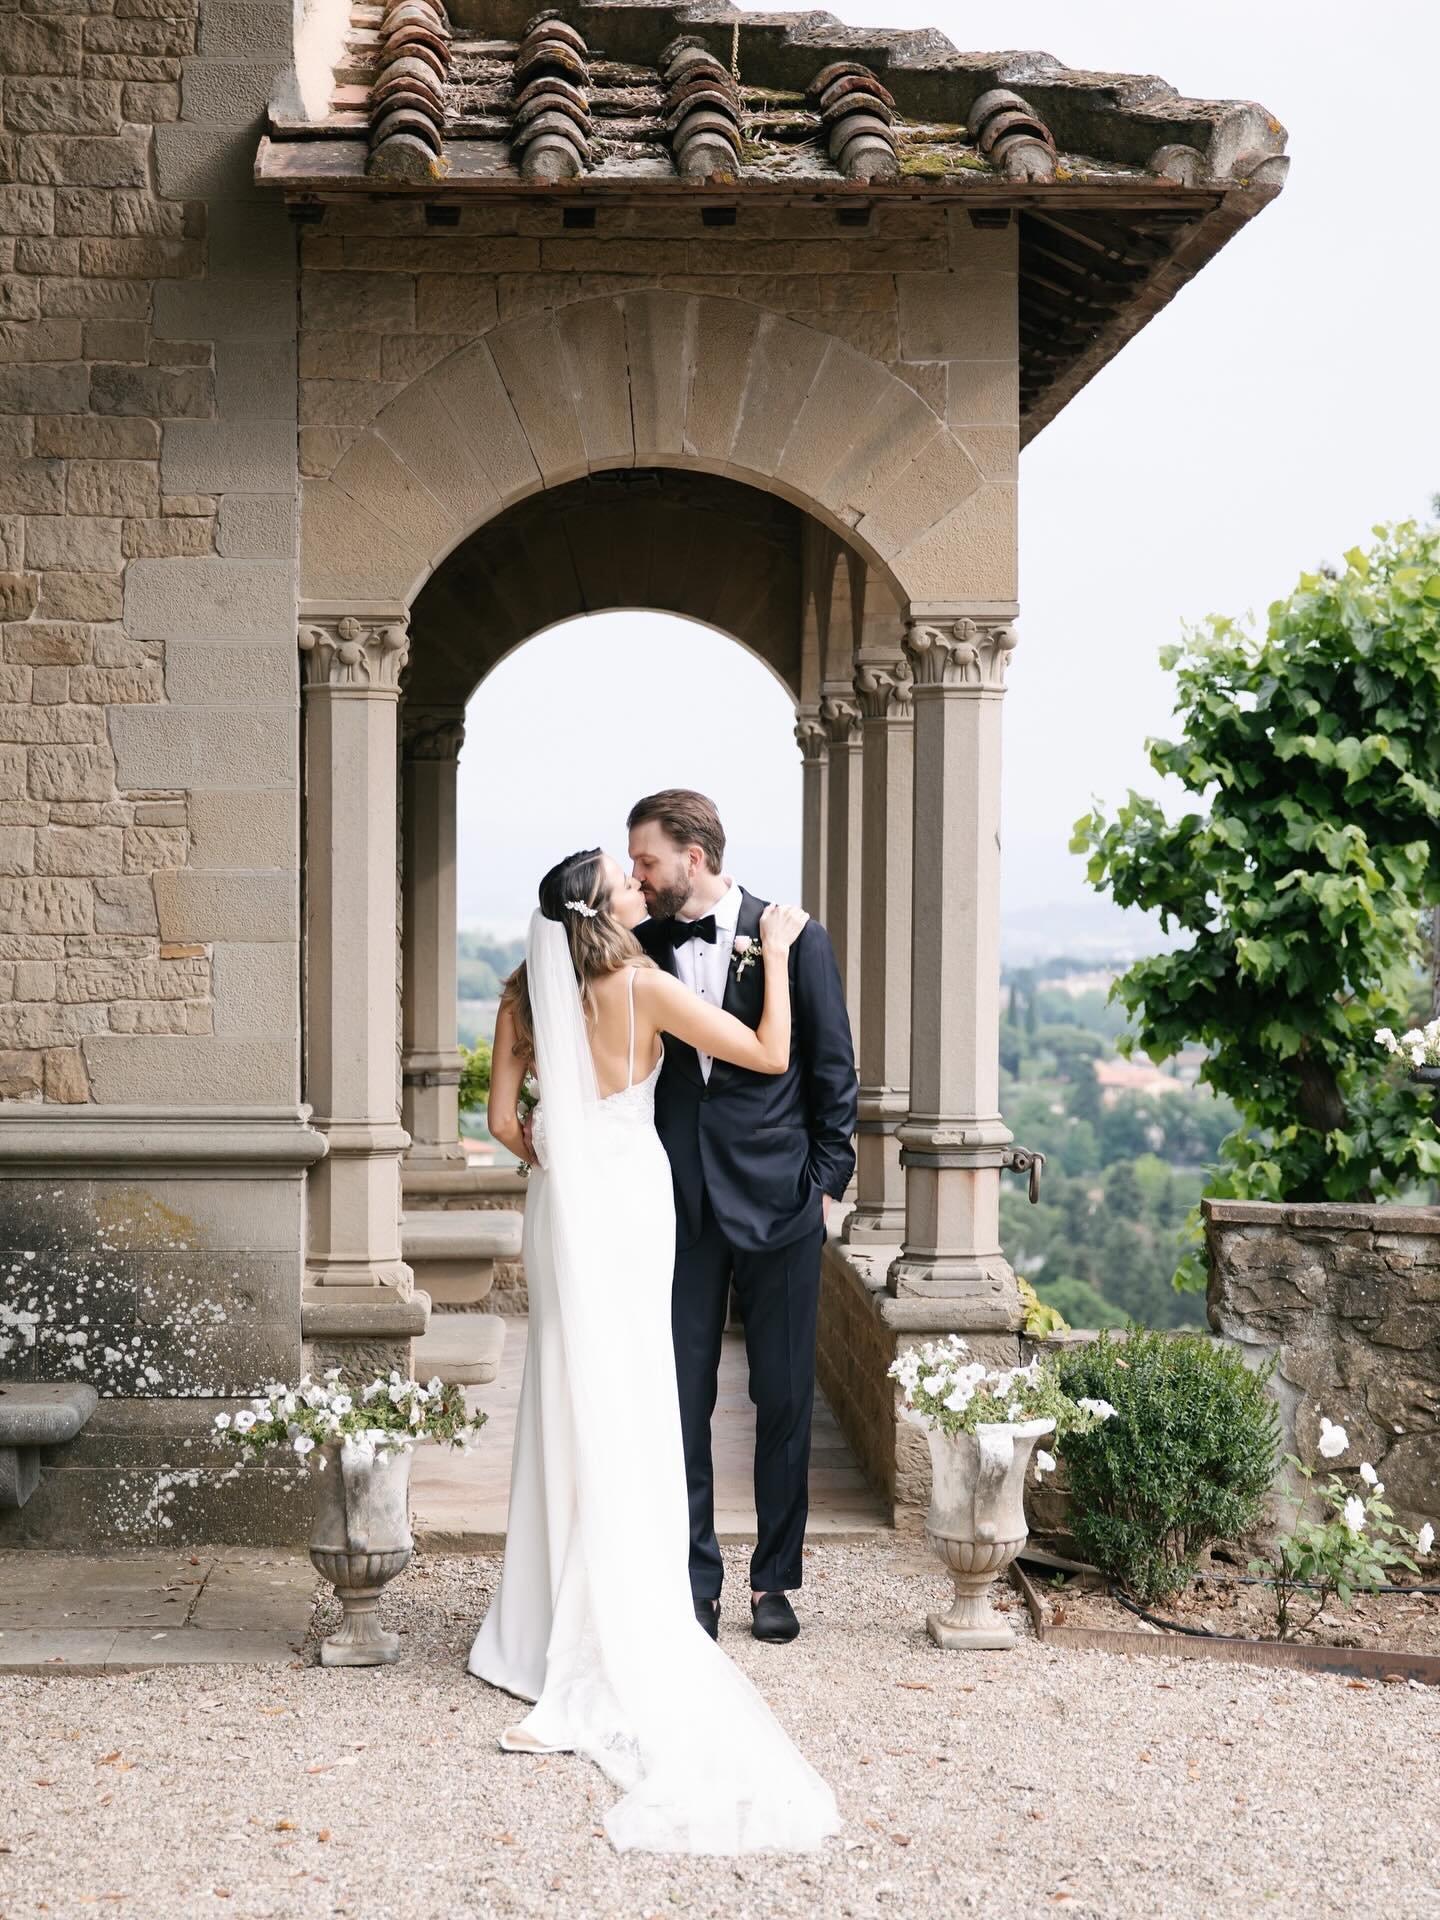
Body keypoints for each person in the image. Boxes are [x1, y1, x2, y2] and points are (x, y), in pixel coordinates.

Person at [468, 847, 839, 1855]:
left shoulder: (518, 998)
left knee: (561, 1388)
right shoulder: (643, 987)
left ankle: (536, 1621)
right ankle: (625, 1595)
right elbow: (766, 1054)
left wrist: (553, 1152)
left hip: (565, 1203)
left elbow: (505, 1119)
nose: (642, 891)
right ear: (600, 908)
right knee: (630, 1391)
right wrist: (774, 953)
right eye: (626, 884)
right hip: (633, 1196)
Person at [628, 791, 857, 1645]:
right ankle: (696, 1580)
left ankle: (774, 1580)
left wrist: (825, 1185)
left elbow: (833, 1069)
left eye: (648, 860)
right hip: (678, 1205)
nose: (640, 877)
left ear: (693, 855)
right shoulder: (641, 946)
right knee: (683, 1396)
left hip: (782, 1202)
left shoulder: (793, 935)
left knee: (784, 1395)